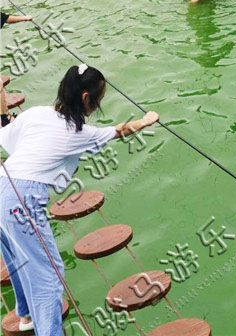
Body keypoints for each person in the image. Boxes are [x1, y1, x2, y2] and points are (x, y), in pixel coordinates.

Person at [0, 64, 158, 336]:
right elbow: (118, 131)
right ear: (86, 98)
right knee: (49, 274)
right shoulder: (77, 133)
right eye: (99, 100)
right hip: (22, 199)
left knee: (17, 257)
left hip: (4, 183)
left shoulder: (36, 114)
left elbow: (7, 140)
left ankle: (25, 315)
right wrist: (146, 120)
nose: (97, 106)